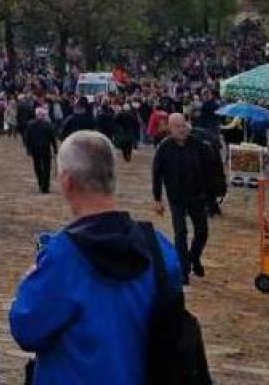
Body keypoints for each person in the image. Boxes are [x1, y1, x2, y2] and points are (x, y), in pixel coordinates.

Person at [10, 131, 183, 385]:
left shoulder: (63, 257)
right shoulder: (158, 247)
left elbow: (27, 329)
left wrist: (28, 285)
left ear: (67, 182)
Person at [150, 113, 209, 283]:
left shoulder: (197, 144)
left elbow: (207, 168)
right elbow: (157, 174)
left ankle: (193, 257)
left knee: (202, 231)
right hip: (176, 196)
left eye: (184, 125)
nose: (182, 129)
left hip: (197, 195)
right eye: (177, 126)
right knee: (180, 232)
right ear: (170, 128)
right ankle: (183, 269)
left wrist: (210, 193)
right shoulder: (164, 147)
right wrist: (157, 199)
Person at [23, 106, 56, 194]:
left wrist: (28, 149)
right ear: (43, 115)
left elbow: (27, 138)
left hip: (35, 149)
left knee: (37, 167)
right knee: (47, 167)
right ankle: (46, 186)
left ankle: (41, 183)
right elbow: (52, 137)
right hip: (45, 148)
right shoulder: (47, 124)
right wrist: (55, 148)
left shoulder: (30, 124)